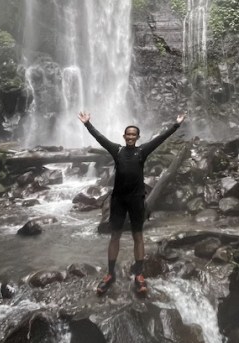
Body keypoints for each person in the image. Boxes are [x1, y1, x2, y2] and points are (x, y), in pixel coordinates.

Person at [78, 111, 185, 295]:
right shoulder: (117, 150)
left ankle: (139, 274)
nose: (130, 137)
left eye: (133, 135)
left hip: (136, 200)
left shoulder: (142, 151)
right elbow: (100, 138)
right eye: (128, 134)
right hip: (119, 200)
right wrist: (88, 124)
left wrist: (176, 125)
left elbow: (160, 139)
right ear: (124, 136)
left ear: (137, 137)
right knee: (115, 236)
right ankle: (110, 274)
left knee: (138, 236)